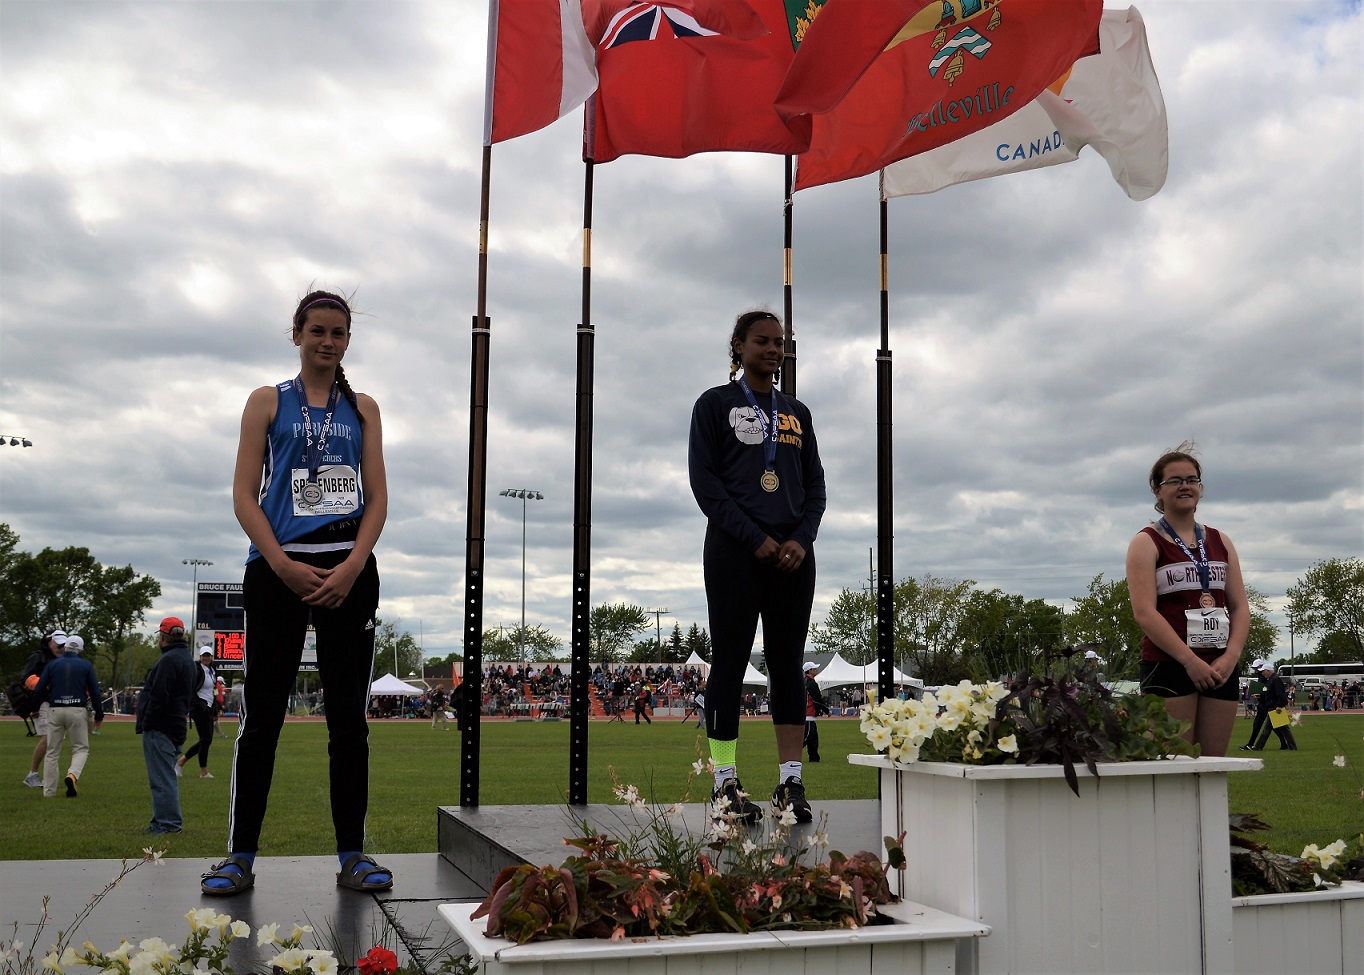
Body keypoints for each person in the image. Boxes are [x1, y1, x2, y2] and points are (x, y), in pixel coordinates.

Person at [203, 289, 390, 897]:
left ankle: (353, 854)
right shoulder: (266, 402)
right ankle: (239, 855)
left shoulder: (363, 409)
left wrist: (355, 565)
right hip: (279, 570)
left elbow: (378, 498)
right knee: (261, 717)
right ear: (297, 334)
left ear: (347, 341)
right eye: (317, 331)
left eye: (338, 333)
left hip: (347, 572)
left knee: (348, 722)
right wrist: (280, 563)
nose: (328, 342)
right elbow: (243, 494)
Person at [688, 309, 826, 825]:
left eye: (780, 343)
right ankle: (725, 784)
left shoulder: (797, 413)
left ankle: (791, 780)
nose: (774, 350)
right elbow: (707, 486)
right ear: (739, 346)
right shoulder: (714, 405)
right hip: (735, 554)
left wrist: (800, 539)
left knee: (788, 664)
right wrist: (756, 539)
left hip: (792, 559)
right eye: (763, 342)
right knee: (728, 662)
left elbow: (815, 487)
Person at [1126, 443, 1249, 757]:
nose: (1185, 486)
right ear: (1157, 491)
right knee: (1172, 765)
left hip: (1220, 664)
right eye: (1175, 480)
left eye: (1192, 480)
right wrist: (1189, 661)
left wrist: (1231, 656)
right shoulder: (1146, 542)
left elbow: (1239, 606)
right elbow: (1144, 613)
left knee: (1211, 766)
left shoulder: (1220, 540)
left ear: (1200, 488)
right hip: (1170, 663)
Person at [136, 618, 198, 833]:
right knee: (164, 775)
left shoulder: (168, 660)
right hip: (177, 723)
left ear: (163, 637)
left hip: (162, 725)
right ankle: (160, 820)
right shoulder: (187, 659)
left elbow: (158, 696)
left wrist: (147, 721)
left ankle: (168, 823)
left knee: (161, 777)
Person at [32, 635, 103, 797]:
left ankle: (49, 791)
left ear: (66, 648)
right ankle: (72, 774)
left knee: (52, 751)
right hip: (77, 710)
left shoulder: (53, 664)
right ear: (80, 649)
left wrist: (34, 707)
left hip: (55, 709)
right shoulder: (85, 665)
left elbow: (40, 688)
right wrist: (99, 714)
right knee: (80, 748)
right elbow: (94, 691)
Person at [19, 630, 67, 788]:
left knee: (54, 740)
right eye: (58, 645)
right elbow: (26, 678)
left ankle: (46, 776)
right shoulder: (38, 657)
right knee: (48, 738)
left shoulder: (63, 660)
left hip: (57, 703)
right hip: (41, 703)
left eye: (64, 645)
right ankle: (32, 774)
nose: (61, 648)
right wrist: (45, 683)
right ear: (49, 642)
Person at [177, 648, 219, 779]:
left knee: (206, 739)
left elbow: (214, 690)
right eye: (203, 656)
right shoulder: (197, 670)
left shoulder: (212, 670)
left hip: (208, 708)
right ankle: (202, 771)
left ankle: (181, 762)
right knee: (206, 739)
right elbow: (191, 689)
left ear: (211, 656)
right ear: (200, 657)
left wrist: (215, 706)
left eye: (208, 655)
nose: (206, 658)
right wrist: (201, 705)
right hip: (200, 708)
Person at [1245, 662, 1297, 751]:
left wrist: (1279, 705)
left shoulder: (1275, 680)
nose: (1262, 673)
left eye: (1264, 671)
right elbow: (1270, 692)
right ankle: (1292, 746)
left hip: (1275, 708)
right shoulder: (1271, 679)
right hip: (1273, 707)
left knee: (1267, 729)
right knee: (1284, 729)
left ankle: (1258, 747)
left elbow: (1280, 694)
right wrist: (1260, 695)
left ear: (1268, 671)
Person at [1238, 658, 1271, 750]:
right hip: (1263, 703)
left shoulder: (1264, 677)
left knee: (1260, 724)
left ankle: (1250, 743)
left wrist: (1260, 694)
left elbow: (1266, 689)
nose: (1255, 670)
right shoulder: (1262, 676)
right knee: (1271, 725)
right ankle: (1285, 743)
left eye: (1256, 668)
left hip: (1264, 703)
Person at [802, 662, 830, 763]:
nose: (816, 670)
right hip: (808, 715)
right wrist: (826, 710)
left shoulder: (804, 682)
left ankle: (814, 758)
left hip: (808, 715)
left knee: (813, 739)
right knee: (806, 738)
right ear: (810, 670)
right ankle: (791, 753)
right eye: (814, 668)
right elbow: (817, 699)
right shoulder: (812, 683)